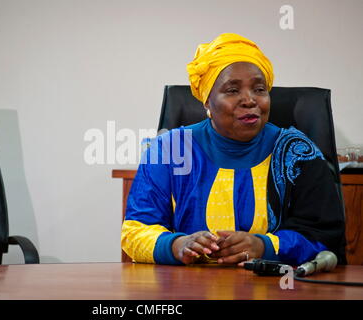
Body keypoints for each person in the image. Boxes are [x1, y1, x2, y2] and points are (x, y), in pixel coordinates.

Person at [121, 33, 346, 266]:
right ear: (207, 101)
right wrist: (177, 245)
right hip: (185, 288)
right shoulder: (169, 150)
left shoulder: (297, 153)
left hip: (275, 288)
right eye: (232, 90)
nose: (249, 100)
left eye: (259, 89)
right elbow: (135, 231)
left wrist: (264, 246)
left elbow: (326, 238)